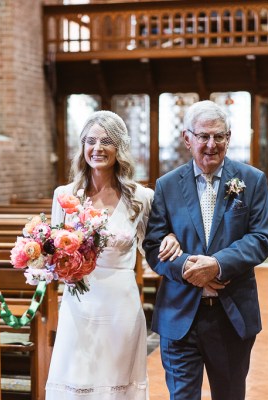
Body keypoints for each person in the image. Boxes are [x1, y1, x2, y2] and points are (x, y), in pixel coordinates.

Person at [142, 100, 268, 400]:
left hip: (230, 315)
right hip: (179, 314)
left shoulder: (251, 181)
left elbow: (261, 238)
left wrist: (216, 265)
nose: (211, 144)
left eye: (219, 136)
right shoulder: (167, 186)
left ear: (229, 137)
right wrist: (189, 268)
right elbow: (153, 245)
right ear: (188, 138)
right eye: (203, 136)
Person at [45, 110, 182, 399]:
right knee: (76, 377)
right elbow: (54, 251)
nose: (98, 148)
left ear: (119, 148)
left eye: (107, 141)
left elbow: (156, 240)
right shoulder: (65, 196)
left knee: (117, 381)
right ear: (82, 147)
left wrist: (170, 236)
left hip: (120, 305)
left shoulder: (141, 198)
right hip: (78, 303)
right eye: (91, 140)